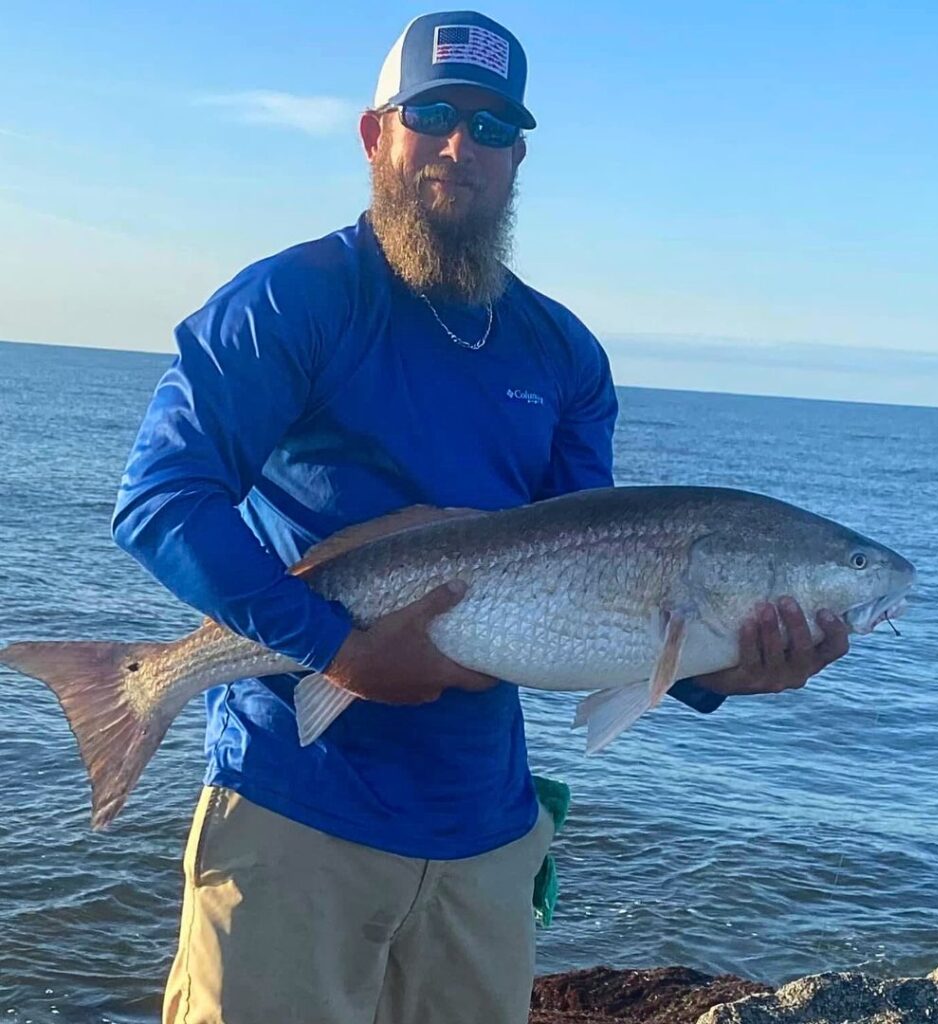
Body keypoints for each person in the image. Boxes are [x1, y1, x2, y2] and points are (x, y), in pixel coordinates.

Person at [112, 11, 851, 1024]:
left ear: (518, 159)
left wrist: (721, 667)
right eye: (435, 114)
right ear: (378, 134)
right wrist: (338, 647)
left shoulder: (563, 355)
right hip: (295, 812)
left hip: (486, 840)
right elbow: (159, 498)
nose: (462, 146)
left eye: (493, 126)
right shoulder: (290, 303)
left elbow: (592, 586)